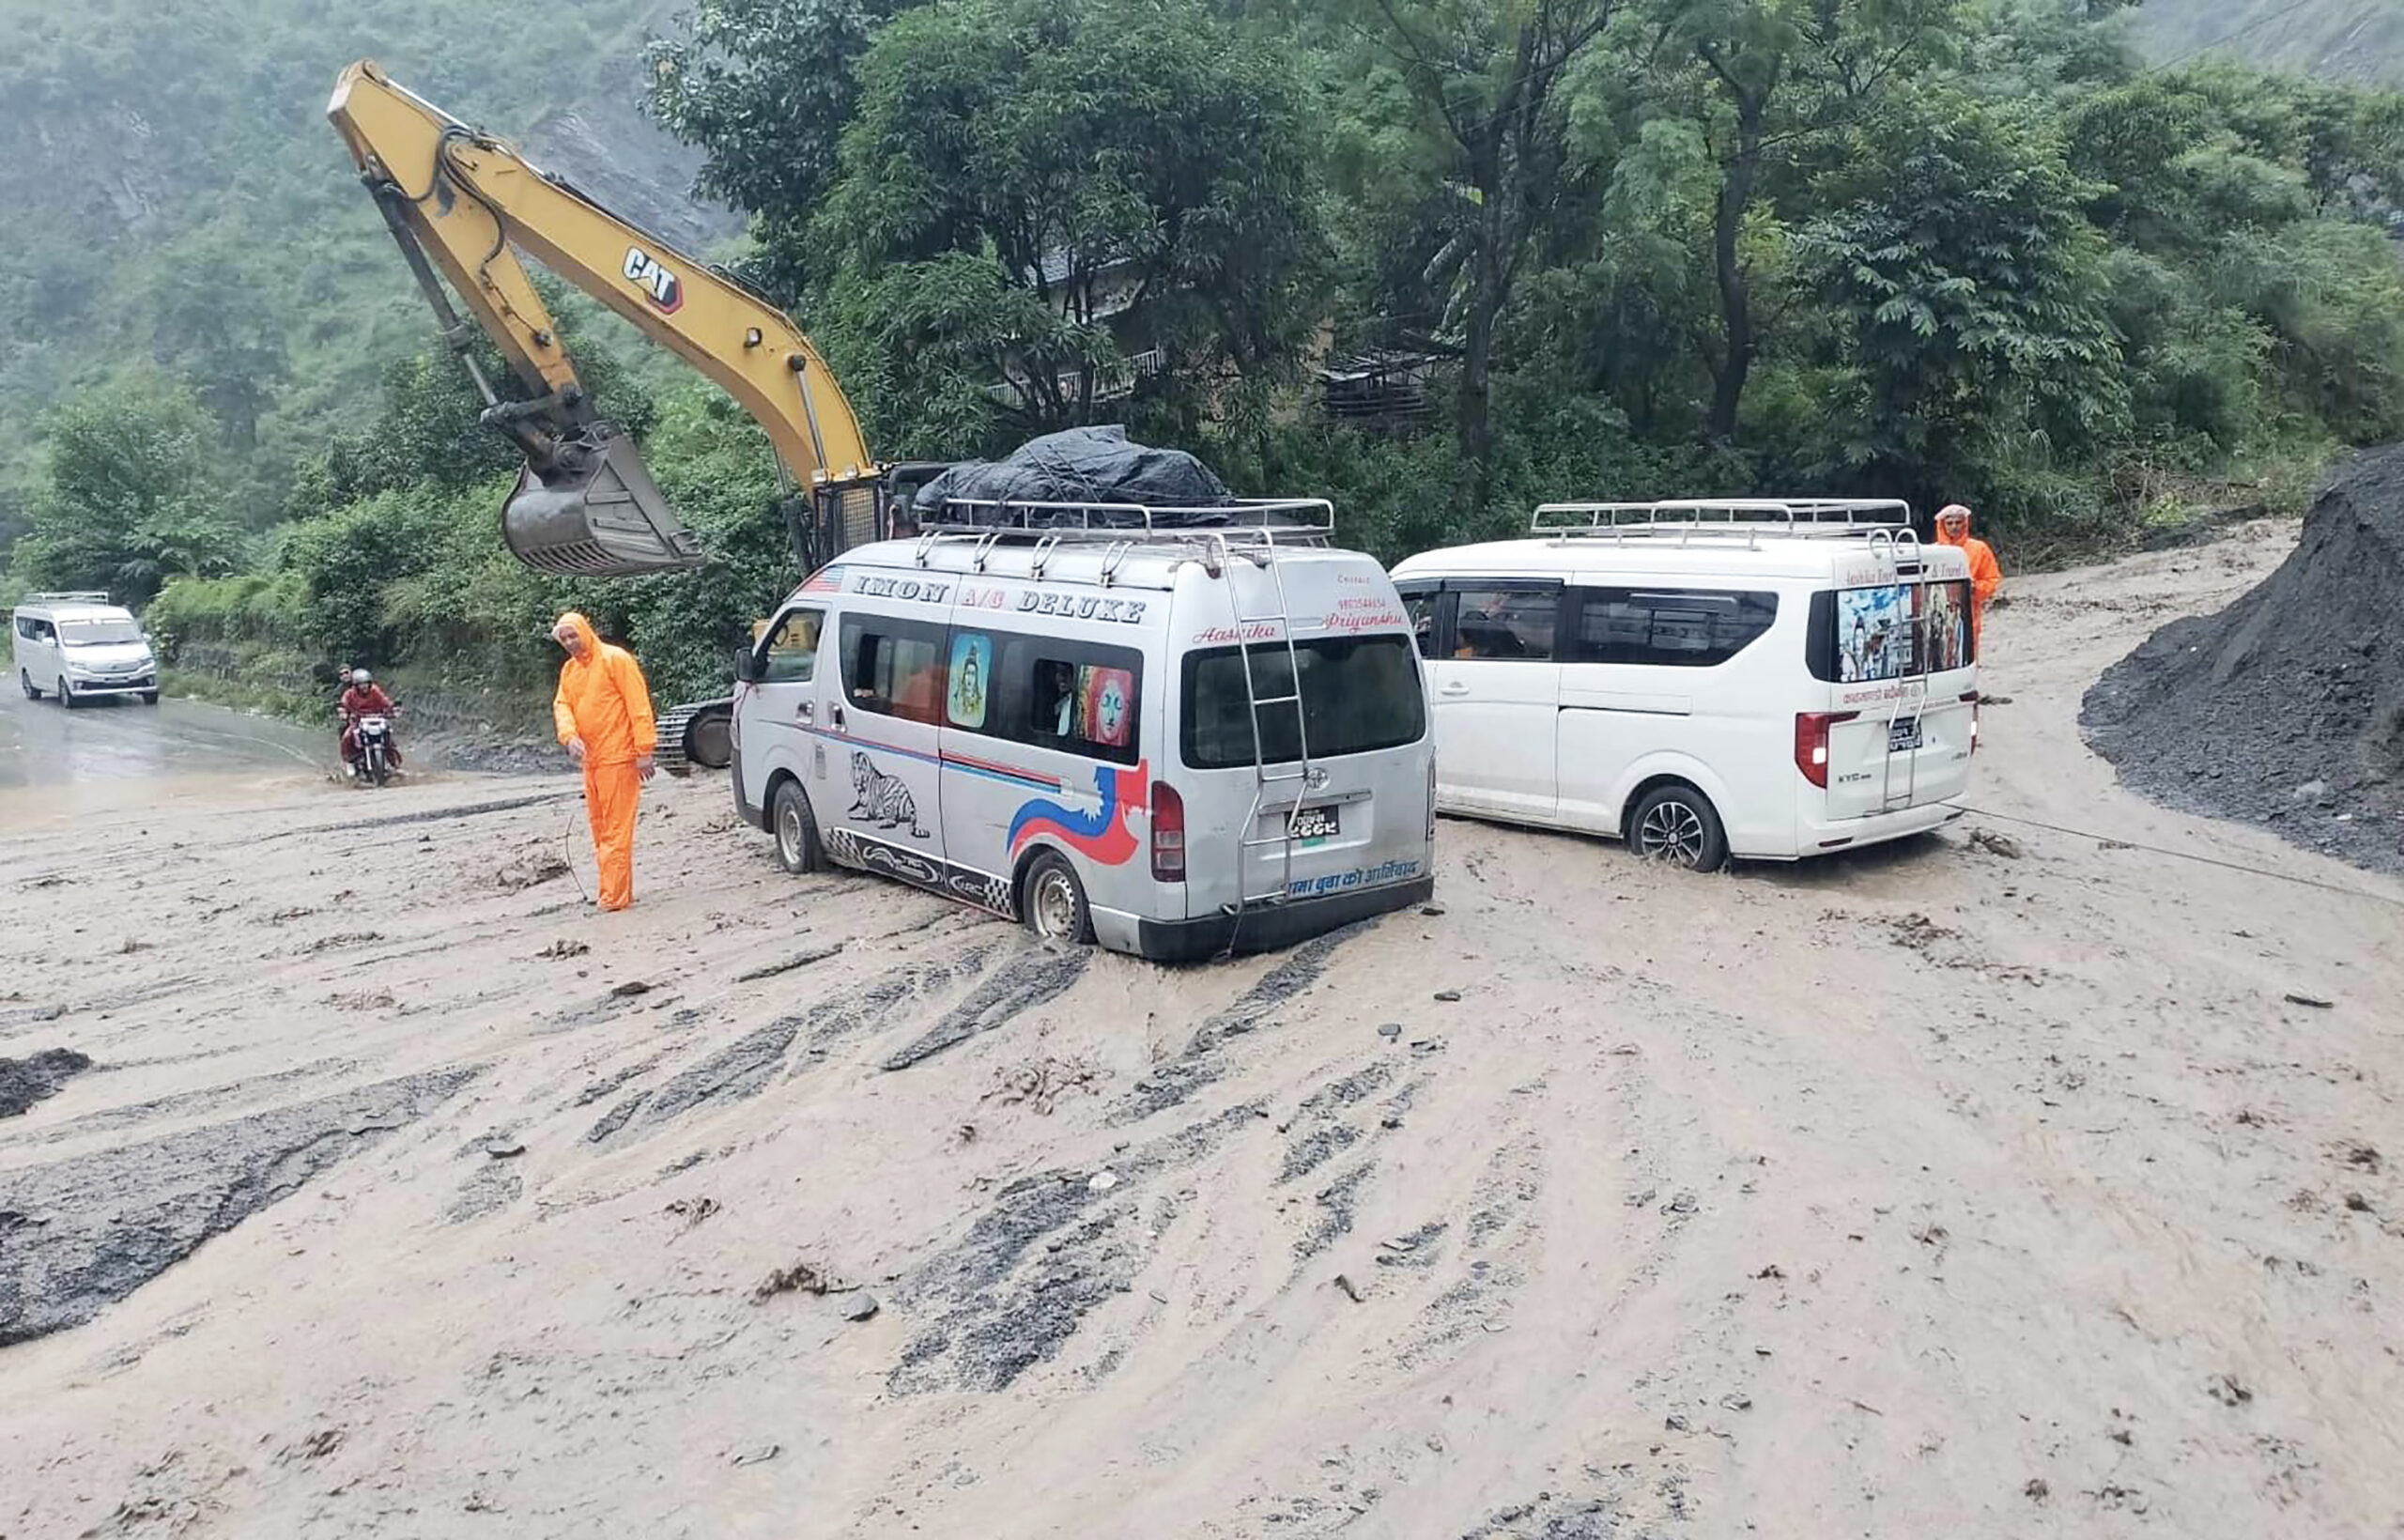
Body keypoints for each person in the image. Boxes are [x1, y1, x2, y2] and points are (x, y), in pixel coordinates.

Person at [550, 611, 657, 912]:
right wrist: (569, 736)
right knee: (600, 829)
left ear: (586, 631)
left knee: (615, 831)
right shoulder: (570, 671)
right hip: (592, 761)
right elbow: (562, 705)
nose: (570, 642)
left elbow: (638, 705)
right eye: (565, 638)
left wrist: (644, 750)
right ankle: (613, 890)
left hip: (620, 757)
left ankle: (614, 897)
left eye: (574, 635)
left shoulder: (615, 660)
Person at [1934, 504, 2003, 652]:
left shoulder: (1979, 549)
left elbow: (1992, 580)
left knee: (1967, 656)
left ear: (1965, 523)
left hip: (1968, 613)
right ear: (1942, 525)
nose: (1954, 527)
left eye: (1958, 522)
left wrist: (1974, 588)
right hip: (1937, 614)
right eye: (1949, 523)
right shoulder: (1932, 552)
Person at [337, 667, 401, 775]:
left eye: (366, 683)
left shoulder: (375, 690)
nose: (364, 686)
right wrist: (343, 712)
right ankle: (350, 763)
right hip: (357, 721)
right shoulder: (349, 693)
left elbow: (385, 701)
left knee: (389, 738)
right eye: (361, 684)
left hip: (377, 719)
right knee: (347, 737)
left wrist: (393, 709)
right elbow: (343, 704)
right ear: (356, 685)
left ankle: (395, 765)